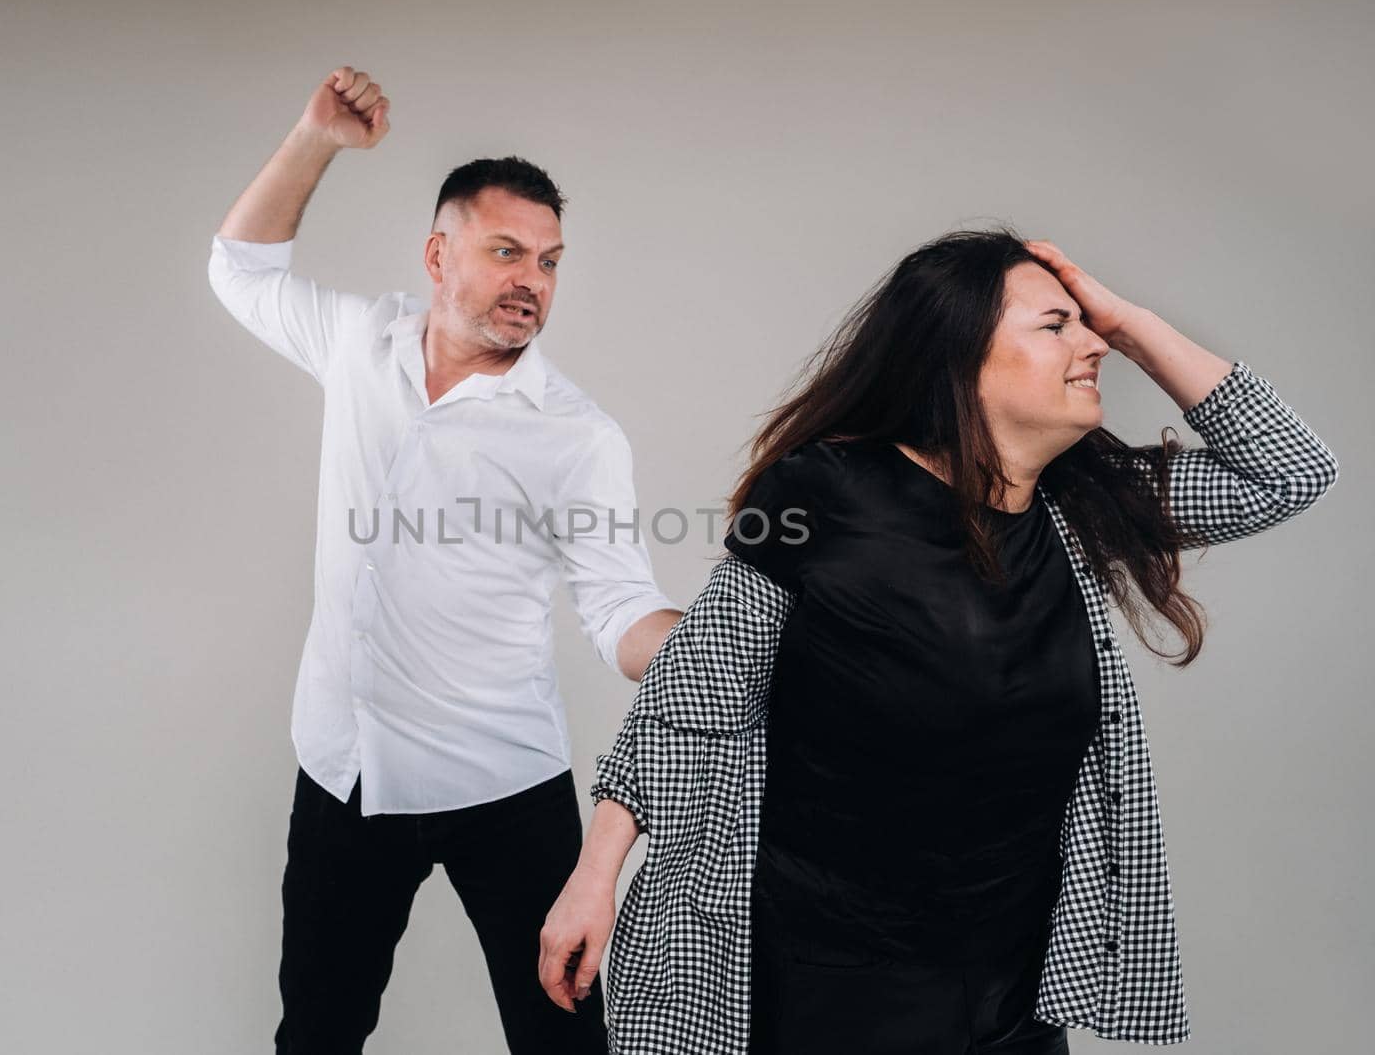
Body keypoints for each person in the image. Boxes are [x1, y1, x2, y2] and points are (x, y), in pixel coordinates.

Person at [538, 230, 1339, 1053]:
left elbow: (1290, 472)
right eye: (1055, 325)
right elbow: (692, 693)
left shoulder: (1082, 509)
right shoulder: (825, 492)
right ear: (960, 359)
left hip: (1012, 995)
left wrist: (1130, 322)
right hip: (831, 989)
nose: (1092, 344)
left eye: (1089, 326)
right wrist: (593, 877)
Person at [207, 65, 682, 1054]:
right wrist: (316, 138)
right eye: (507, 251)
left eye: (550, 261)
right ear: (437, 253)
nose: (532, 282)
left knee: (566, 1043)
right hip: (345, 775)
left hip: (504, 786)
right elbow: (239, 271)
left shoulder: (575, 435)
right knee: (317, 1035)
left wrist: (716, 643)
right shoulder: (357, 343)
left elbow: (617, 608)